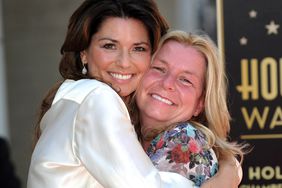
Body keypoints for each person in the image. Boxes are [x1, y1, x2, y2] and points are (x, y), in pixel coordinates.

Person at [28, 0, 242, 187]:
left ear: (201, 103)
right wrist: (228, 173)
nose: (124, 62)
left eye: (138, 48)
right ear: (84, 53)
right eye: (109, 46)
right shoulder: (96, 98)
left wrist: (228, 167)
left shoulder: (73, 98)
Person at [130, 30, 245, 187]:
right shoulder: (127, 129)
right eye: (159, 68)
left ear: (200, 104)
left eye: (185, 80)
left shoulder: (182, 140)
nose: (167, 83)